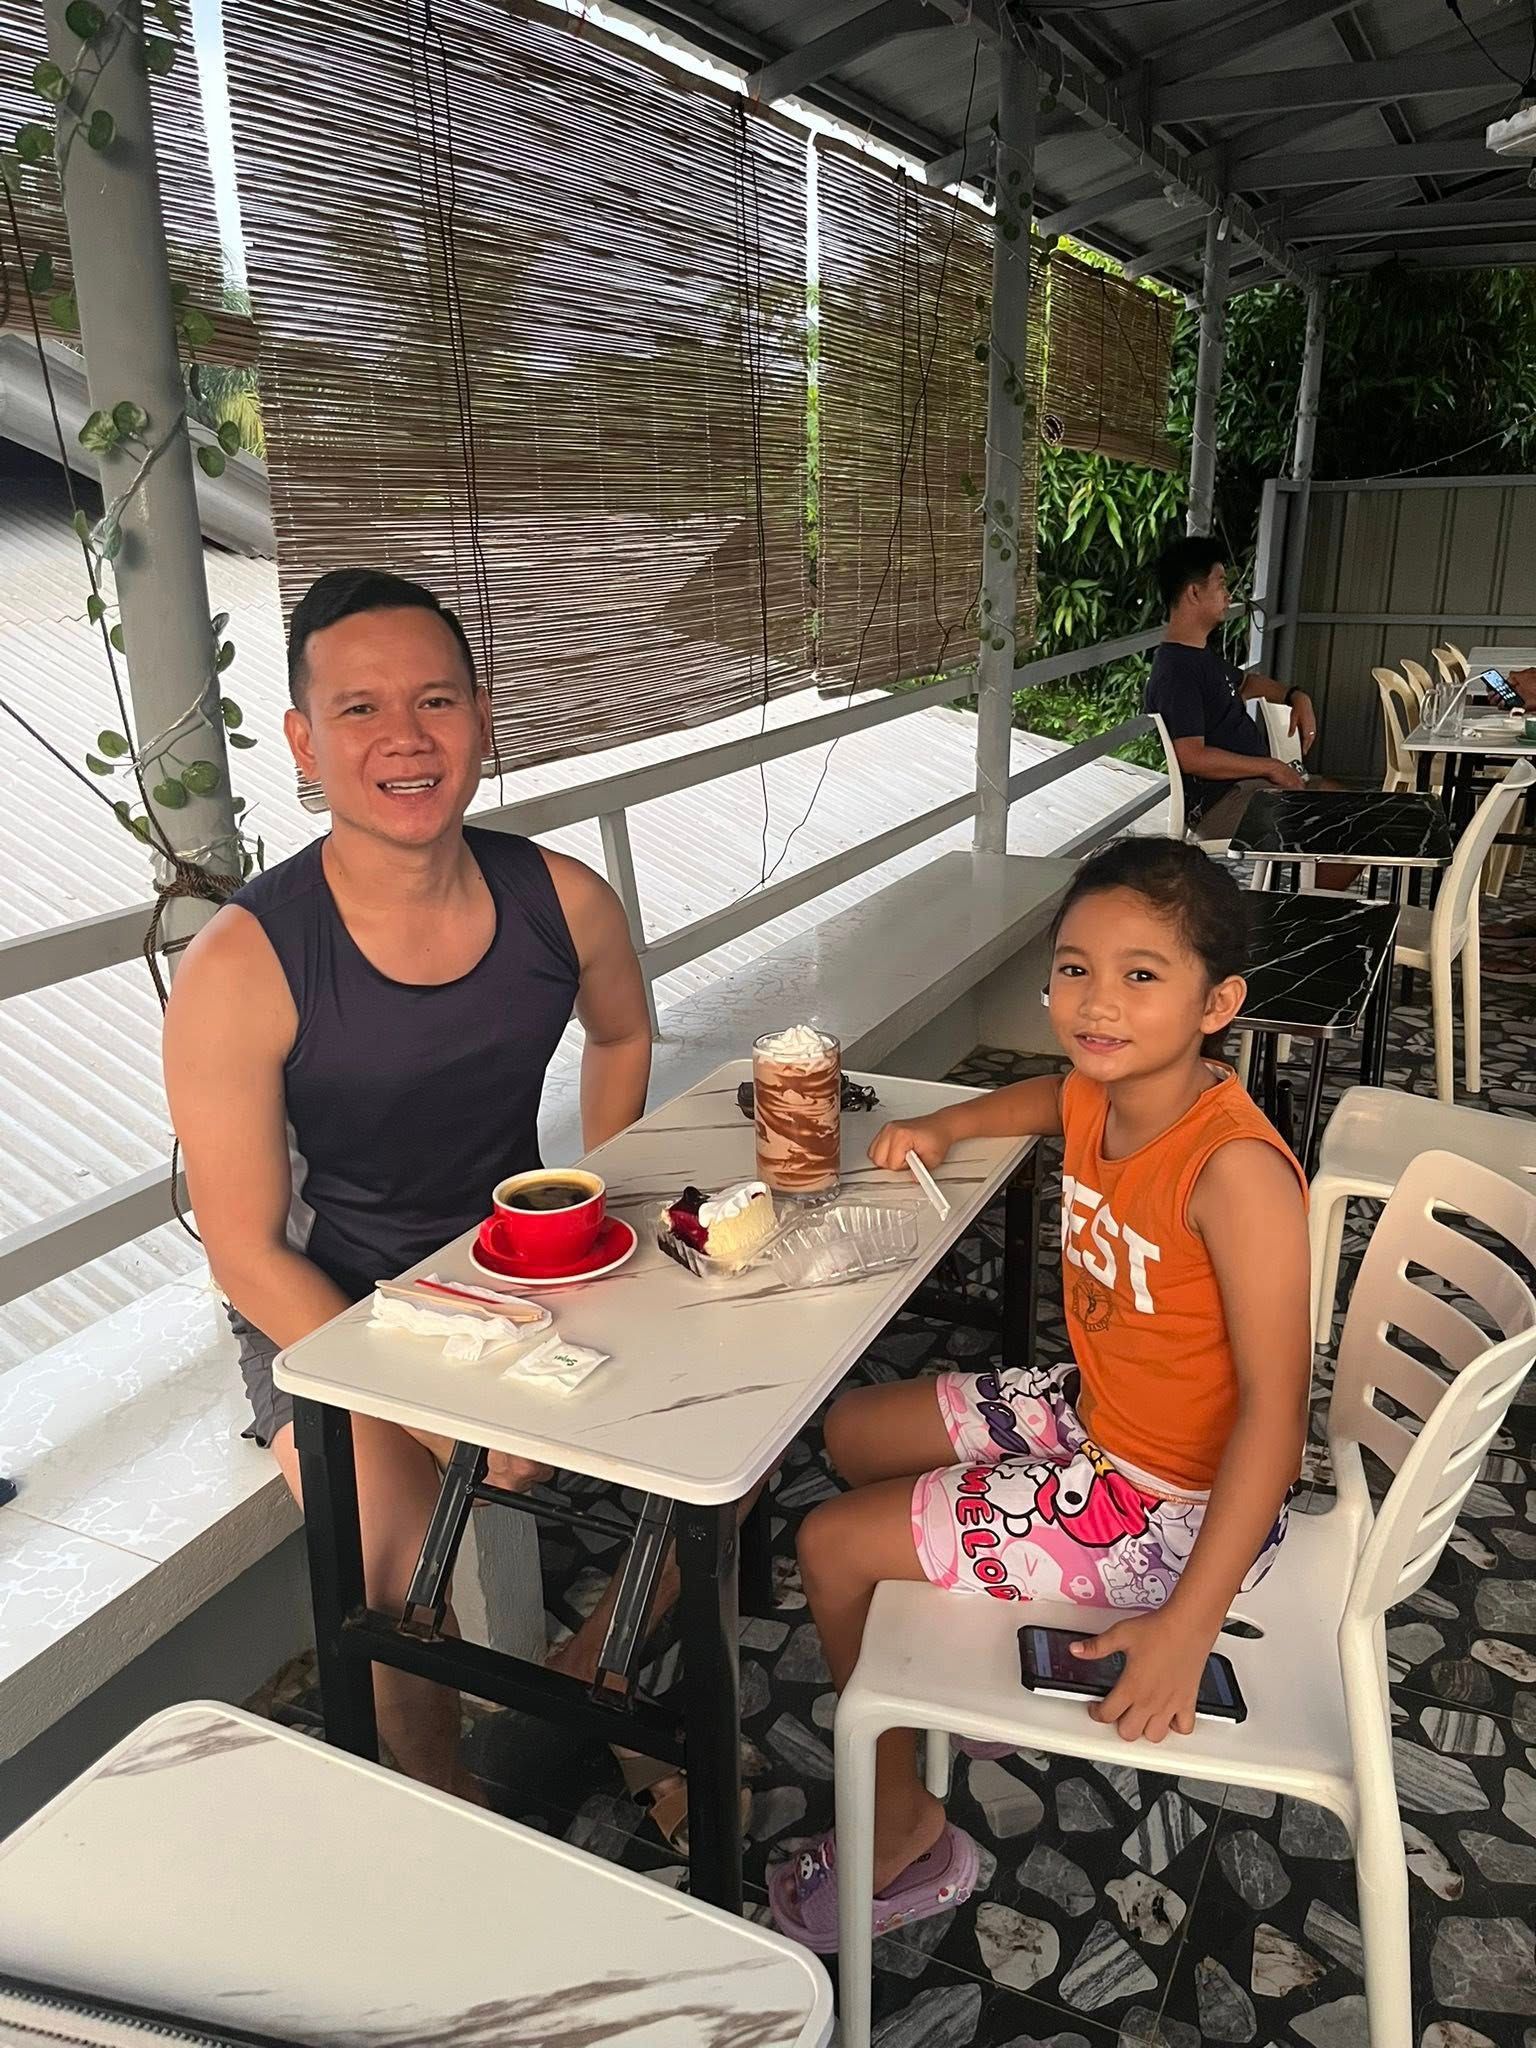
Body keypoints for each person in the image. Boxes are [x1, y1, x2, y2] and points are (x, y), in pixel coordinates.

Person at [164, 568, 654, 1805]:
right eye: (362, 708)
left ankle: (589, 1679)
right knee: (393, 1580)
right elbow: (241, 1250)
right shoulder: (244, 962)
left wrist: (609, 1195)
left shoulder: (560, 899)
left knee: (734, 1453)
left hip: (502, 1259)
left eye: (435, 700)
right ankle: (447, 1810)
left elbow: (620, 1033)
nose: (406, 738)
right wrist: (440, 1404)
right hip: (325, 1301)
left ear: (481, 716)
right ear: (304, 742)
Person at [768, 839, 1311, 1953]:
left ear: (1220, 1004)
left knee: (829, 1545)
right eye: (1075, 968)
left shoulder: (1233, 1171)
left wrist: (1186, 1622)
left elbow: (1276, 1413)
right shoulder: (1103, 1092)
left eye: (1142, 974)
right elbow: (1046, 1098)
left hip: (1168, 1506)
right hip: (1095, 1407)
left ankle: (909, 1828)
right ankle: (978, 1650)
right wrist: (947, 1124)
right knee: (853, 1427)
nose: (1098, 1002)